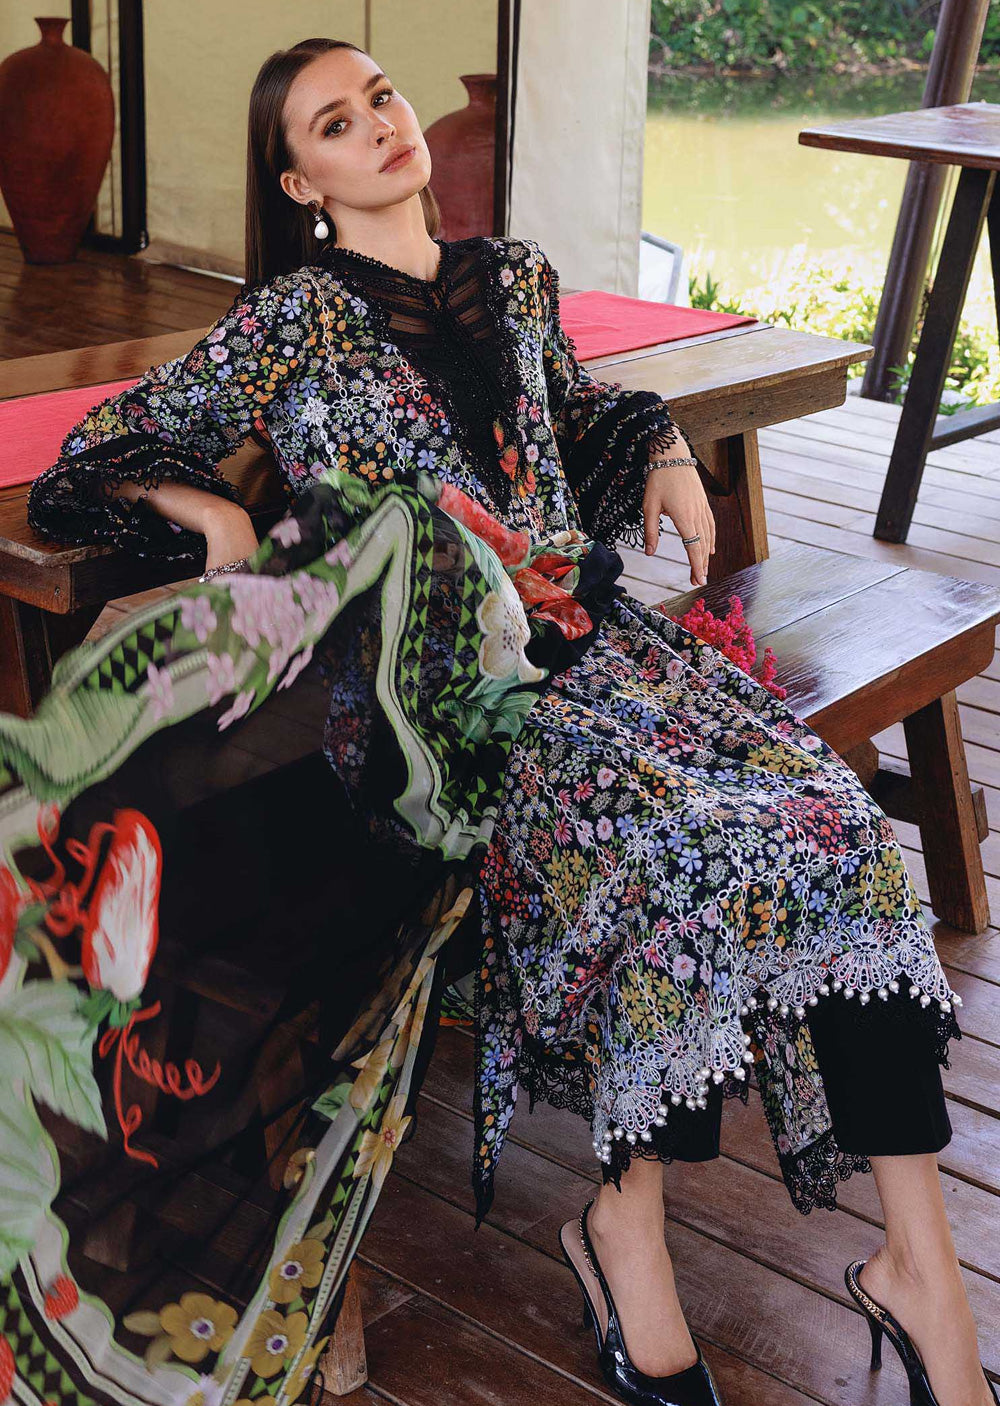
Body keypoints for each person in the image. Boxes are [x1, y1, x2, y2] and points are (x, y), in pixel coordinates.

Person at [25, 37, 996, 1406]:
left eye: (379, 97)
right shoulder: (289, 321)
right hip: (434, 706)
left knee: (833, 822)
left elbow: (575, 416)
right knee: (677, 848)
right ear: (298, 181)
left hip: (600, 651)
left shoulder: (515, 277)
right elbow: (99, 452)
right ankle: (626, 1236)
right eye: (333, 123)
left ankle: (921, 1271)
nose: (378, 124)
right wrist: (212, 510)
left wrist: (658, 443)